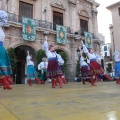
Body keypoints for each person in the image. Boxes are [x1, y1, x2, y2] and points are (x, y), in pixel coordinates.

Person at [0, 10, 13, 90]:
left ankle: (5, 81)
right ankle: (5, 82)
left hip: (1, 48)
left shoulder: (1, 29)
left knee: (1, 67)